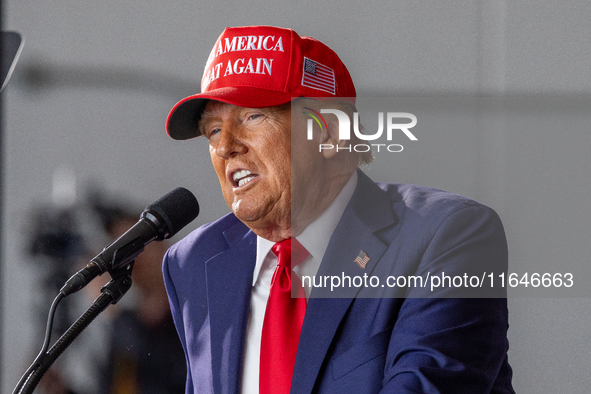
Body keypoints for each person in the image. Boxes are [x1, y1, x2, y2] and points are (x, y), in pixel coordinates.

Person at [162, 25, 514, 393]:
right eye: (213, 130)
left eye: (252, 117)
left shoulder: (447, 236)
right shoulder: (194, 261)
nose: (225, 147)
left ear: (328, 133)